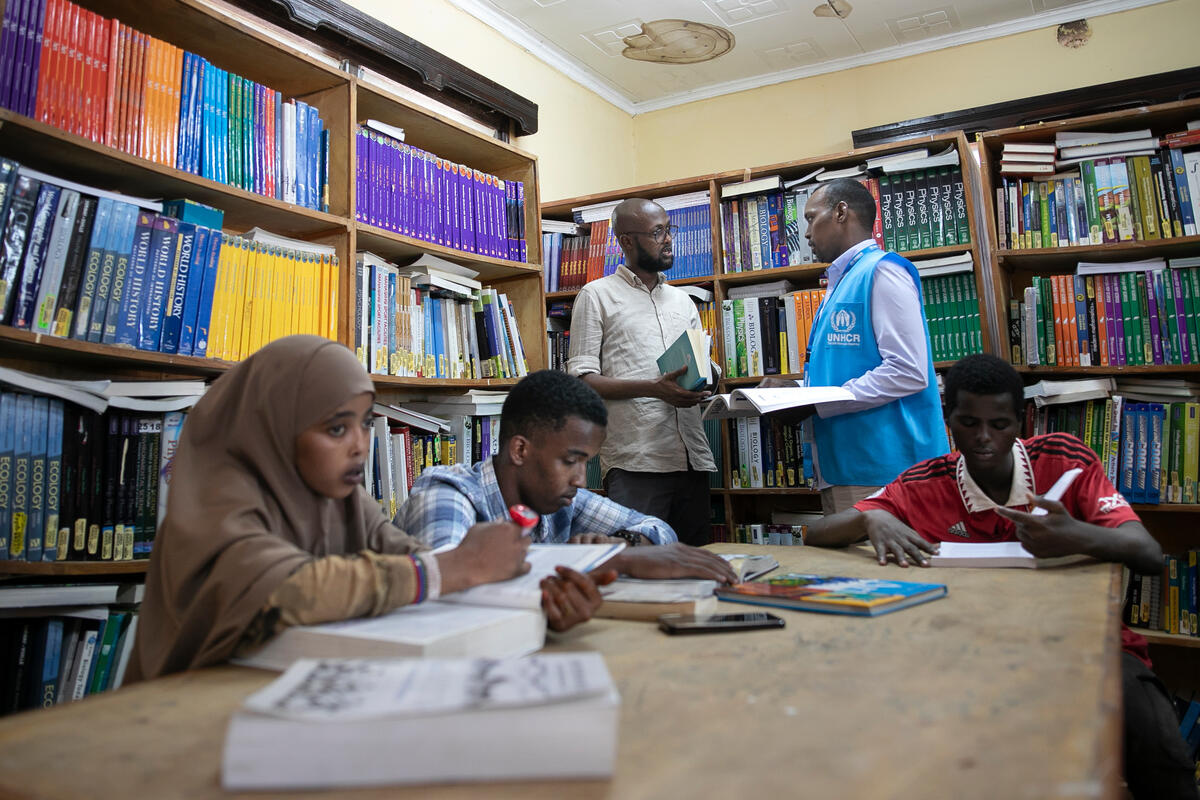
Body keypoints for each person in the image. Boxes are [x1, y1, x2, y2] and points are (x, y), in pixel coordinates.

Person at [805, 353, 1197, 800]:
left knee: (1160, 745)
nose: (985, 439)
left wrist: (1077, 536)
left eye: (1001, 424)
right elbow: (815, 534)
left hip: (1084, 644)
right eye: (968, 423)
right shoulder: (923, 482)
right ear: (949, 421)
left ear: (1020, 422)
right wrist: (870, 518)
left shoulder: (1064, 461)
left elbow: (1148, 554)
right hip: (967, 646)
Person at [129, 336, 612, 682]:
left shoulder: (340, 499)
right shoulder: (221, 500)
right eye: (337, 429)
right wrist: (448, 569)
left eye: (365, 425)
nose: (361, 446)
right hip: (191, 709)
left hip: (296, 695)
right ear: (274, 427)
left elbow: (416, 560)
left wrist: (541, 609)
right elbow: (289, 589)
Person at [396, 369, 737, 583]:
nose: (579, 479)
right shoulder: (447, 491)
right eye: (571, 461)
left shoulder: (555, 497)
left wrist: (625, 543)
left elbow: (657, 529)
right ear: (520, 451)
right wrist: (614, 560)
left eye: (585, 462)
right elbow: (449, 578)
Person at [764, 178, 947, 514]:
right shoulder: (842, 281)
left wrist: (818, 405)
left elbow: (908, 371)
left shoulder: (883, 272)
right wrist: (795, 390)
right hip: (847, 465)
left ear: (841, 212)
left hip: (886, 470)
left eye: (810, 218)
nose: (805, 234)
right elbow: (844, 372)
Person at [566, 197, 718, 545]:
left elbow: (697, 365)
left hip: (692, 458)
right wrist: (654, 388)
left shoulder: (683, 301)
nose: (668, 239)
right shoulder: (596, 296)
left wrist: (707, 376)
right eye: (657, 232)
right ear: (627, 241)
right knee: (638, 564)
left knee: (694, 565)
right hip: (636, 461)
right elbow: (583, 381)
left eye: (669, 230)